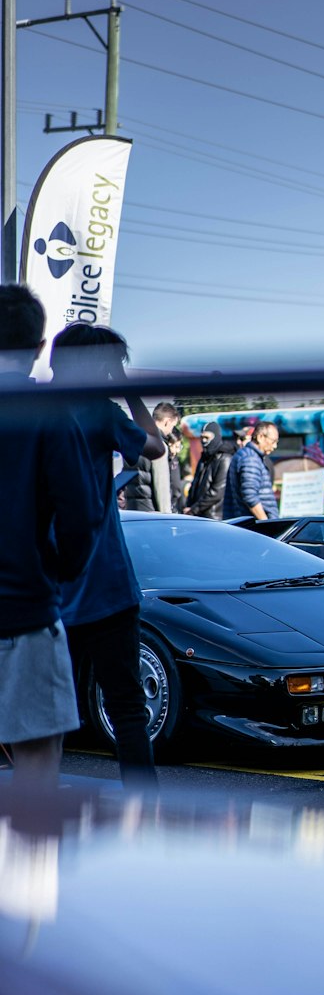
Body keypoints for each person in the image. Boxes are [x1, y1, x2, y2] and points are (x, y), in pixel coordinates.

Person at [50, 323, 167, 786]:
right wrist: (129, 391)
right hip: (106, 583)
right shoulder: (100, 412)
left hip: (47, 585)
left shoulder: (31, 411)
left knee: (48, 709)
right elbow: (155, 446)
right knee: (126, 705)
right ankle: (144, 809)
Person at [0, 287, 102, 790]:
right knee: (37, 781)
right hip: (26, 616)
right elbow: (82, 516)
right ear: (41, 347)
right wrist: (58, 573)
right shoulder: (49, 413)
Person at [222, 420, 280, 520]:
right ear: (260, 437)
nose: (275, 446)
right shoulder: (250, 459)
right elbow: (250, 496)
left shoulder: (249, 456)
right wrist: (265, 523)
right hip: (254, 526)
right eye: (273, 441)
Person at [184, 420, 235, 519]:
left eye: (207, 438)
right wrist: (189, 506)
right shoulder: (204, 458)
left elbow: (217, 492)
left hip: (214, 517)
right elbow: (195, 485)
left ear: (215, 437)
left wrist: (193, 510)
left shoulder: (224, 459)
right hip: (198, 516)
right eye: (202, 437)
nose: (203, 441)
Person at [152, 402, 184, 512]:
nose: (171, 431)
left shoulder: (137, 440)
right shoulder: (159, 447)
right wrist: (167, 516)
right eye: (172, 426)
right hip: (153, 515)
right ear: (167, 422)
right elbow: (162, 489)